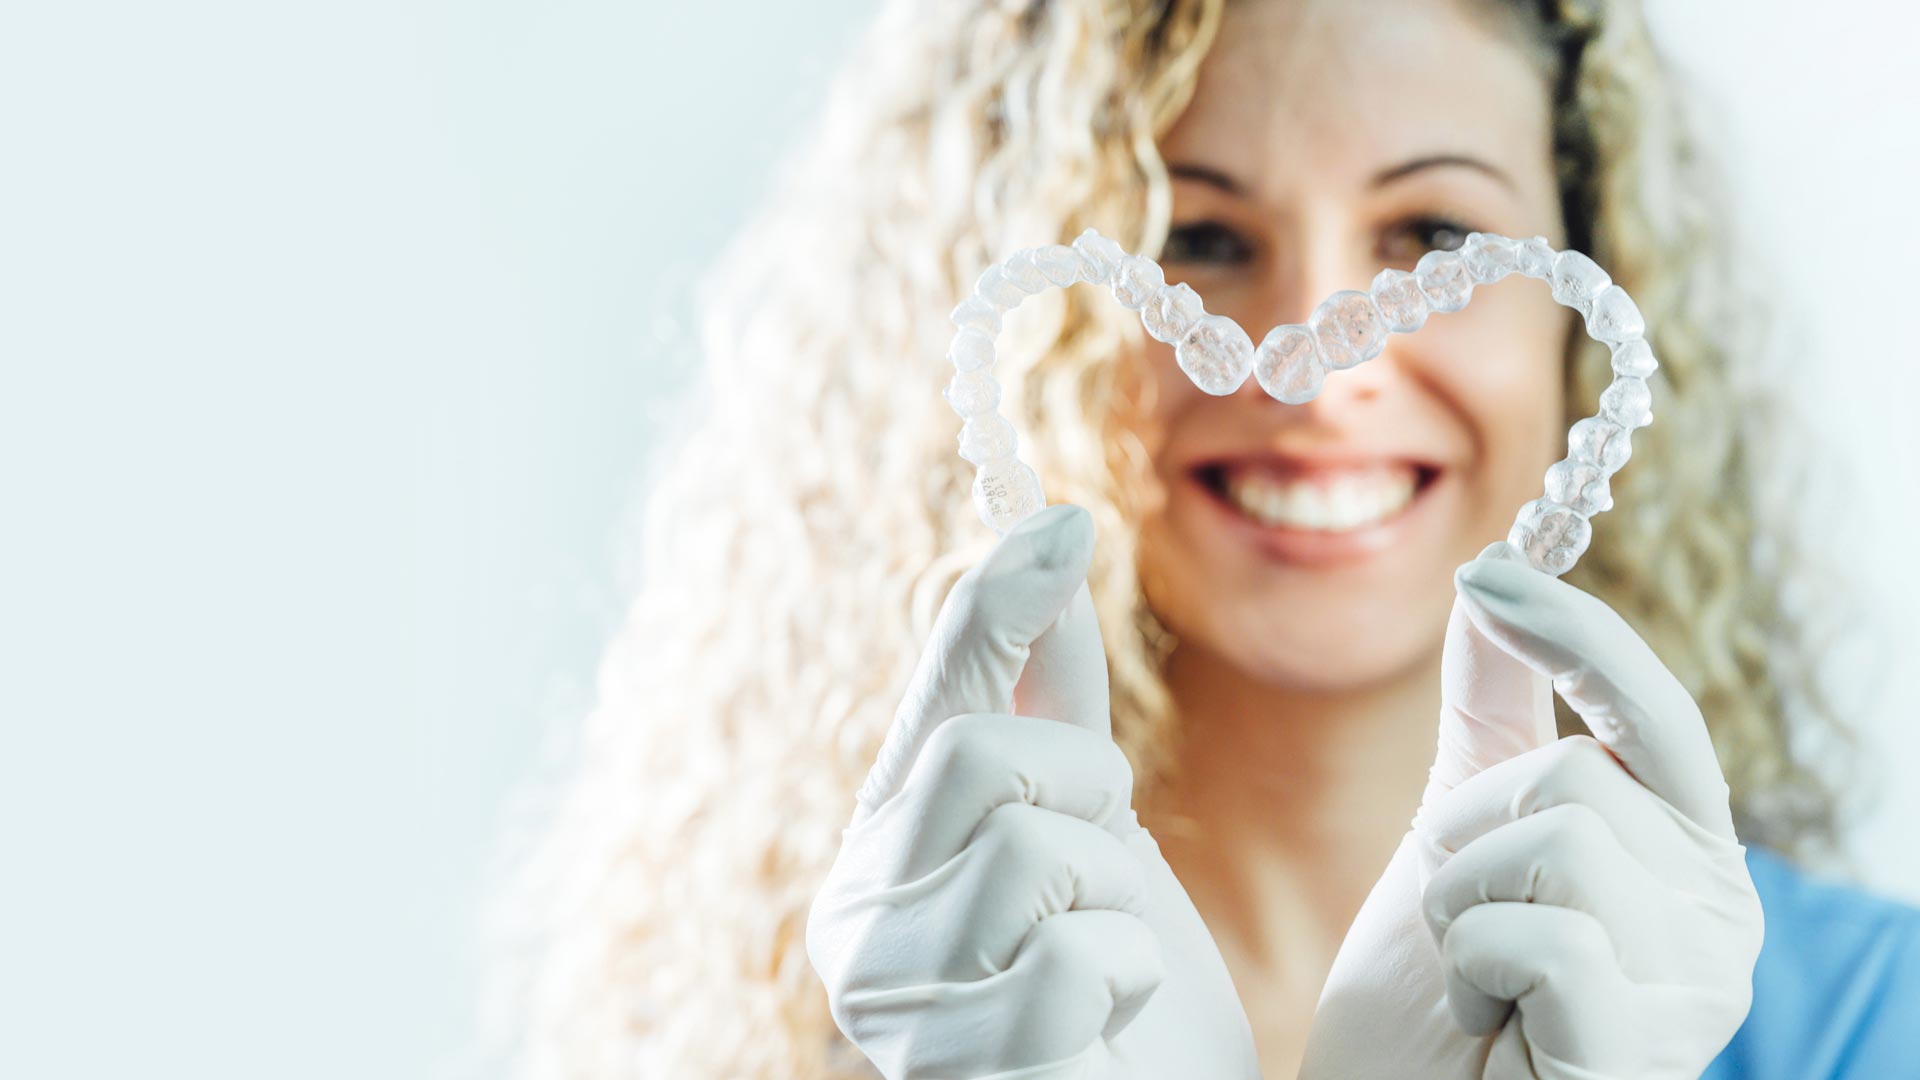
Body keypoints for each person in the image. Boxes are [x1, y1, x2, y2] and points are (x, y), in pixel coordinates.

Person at [492, 0, 1920, 1076]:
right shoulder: (830, 1016)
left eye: (1432, 236)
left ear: (1580, 313)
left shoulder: (1870, 1021)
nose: (1313, 365)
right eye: (1200, 238)